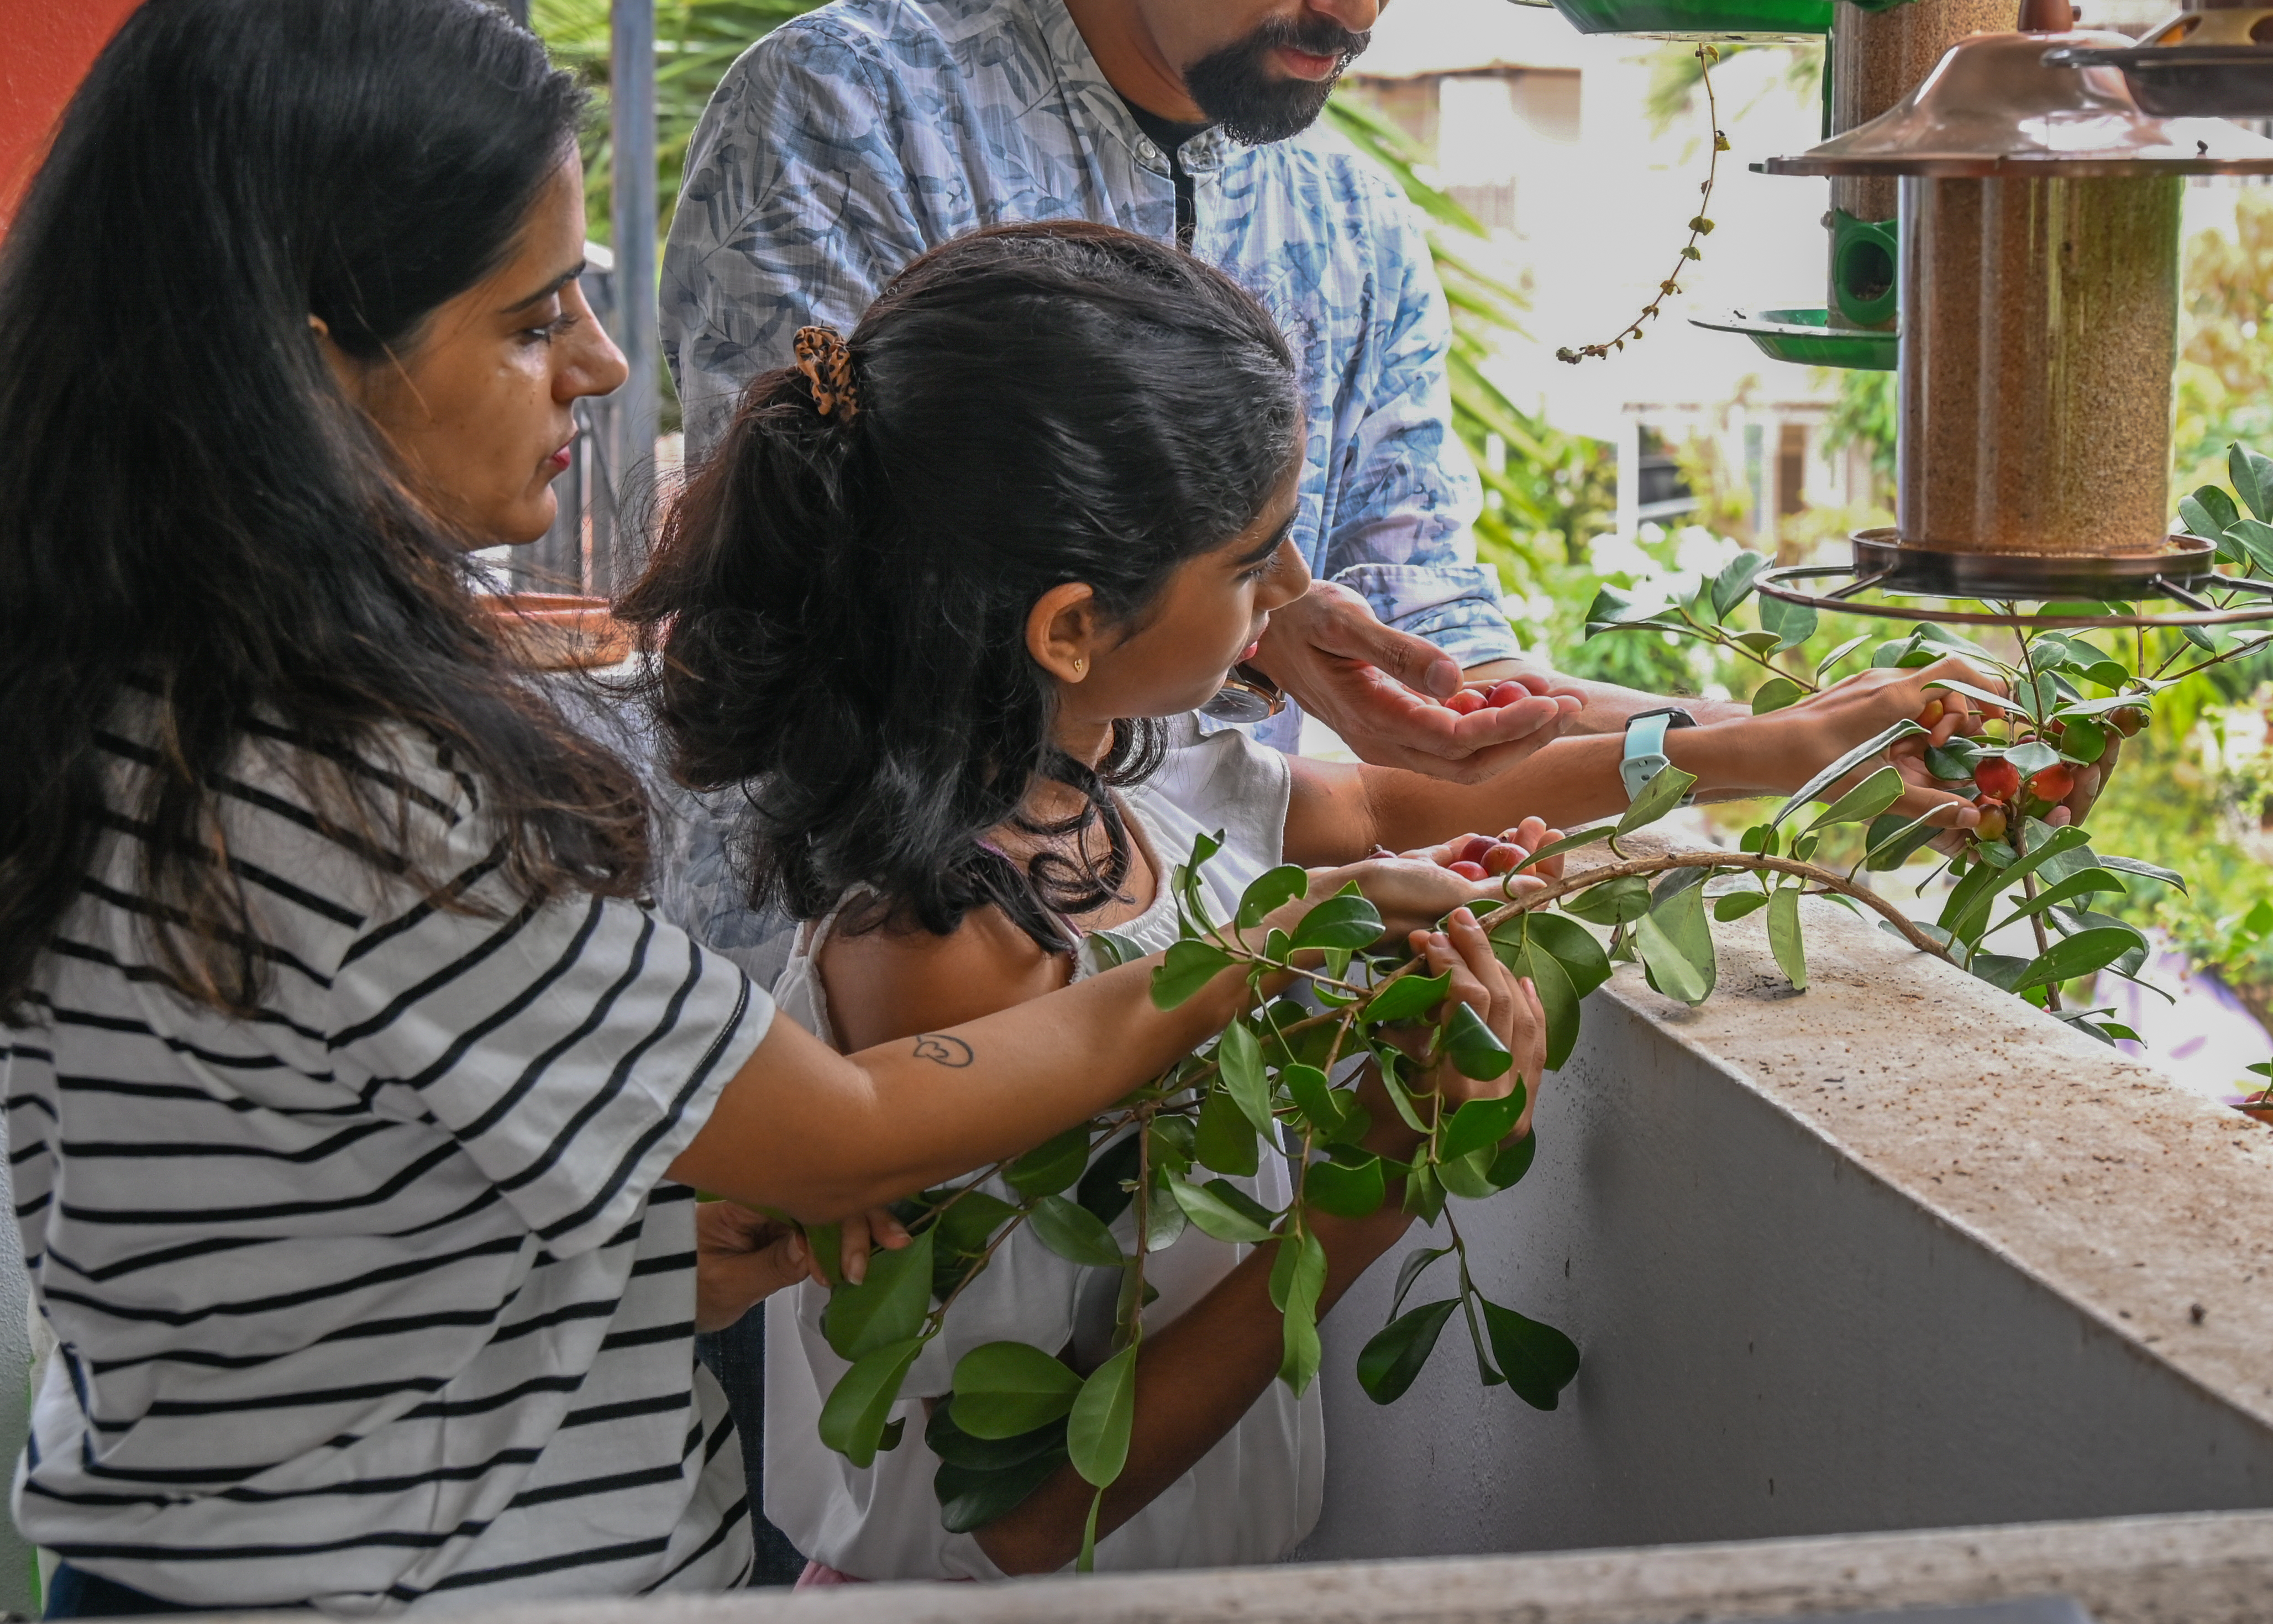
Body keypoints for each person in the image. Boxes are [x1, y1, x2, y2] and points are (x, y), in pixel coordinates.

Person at [0, 0, 1536, 1614]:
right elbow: (851, 1136)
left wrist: (639, 1262)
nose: (597, 364)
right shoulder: (329, 780)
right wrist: (1270, 965)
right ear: (322, 365)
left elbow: (287, 1246)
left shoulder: (142, 709)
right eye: (532, 319)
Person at [624, 223, 1998, 1581]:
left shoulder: (1115, 769)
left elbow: (1402, 804)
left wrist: (1757, 747)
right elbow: (1030, 1511)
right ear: (1068, 627)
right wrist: (1376, 1189)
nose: (1292, 594)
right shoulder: (944, 947)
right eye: (1250, 562)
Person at [663, 0, 1687, 796]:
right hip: (874, 962)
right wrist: (1260, 641)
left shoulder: (1351, 227)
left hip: (1246, 967)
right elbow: (813, 600)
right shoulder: (849, 113)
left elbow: (1417, 610)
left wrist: (1761, 739)